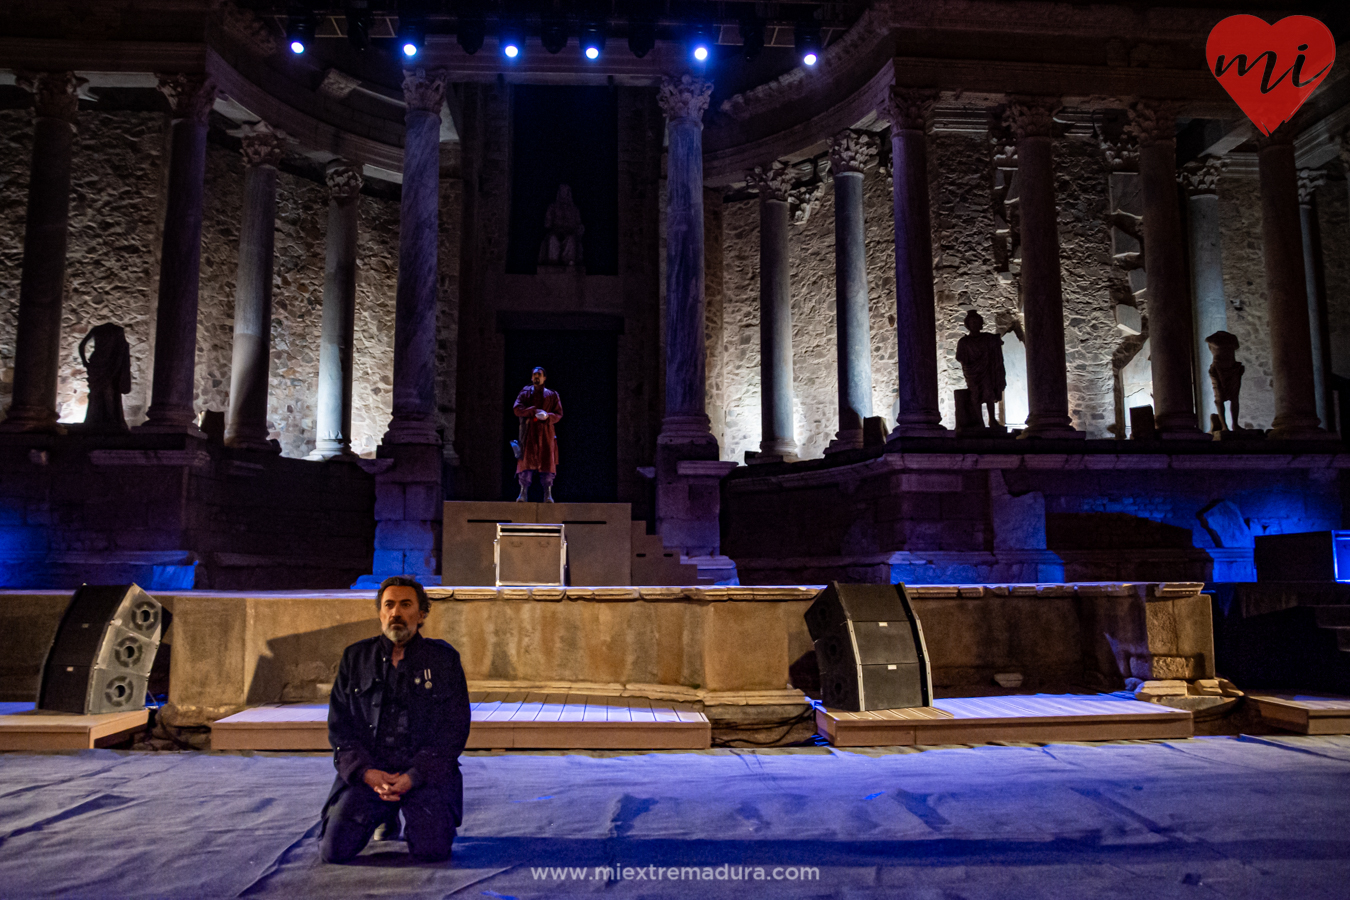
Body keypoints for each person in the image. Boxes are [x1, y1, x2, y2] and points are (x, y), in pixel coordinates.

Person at [320, 576, 471, 864]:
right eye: (389, 605)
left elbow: (453, 731)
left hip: (422, 773)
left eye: (405, 605)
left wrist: (413, 777)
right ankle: (383, 814)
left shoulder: (444, 661)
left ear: (422, 614)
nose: (396, 613)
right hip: (371, 773)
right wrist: (366, 773)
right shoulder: (355, 658)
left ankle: (411, 814)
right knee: (333, 852)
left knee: (433, 852)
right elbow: (340, 729)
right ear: (380, 612)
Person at [513, 366, 563, 502]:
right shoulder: (525, 393)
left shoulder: (552, 395)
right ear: (531, 377)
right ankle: (523, 493)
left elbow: (559, 414)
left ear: (544, 377)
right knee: (526, 464)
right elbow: (517, 409)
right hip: (529, 433)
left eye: (539, 375)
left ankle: (548, 494)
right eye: (534, 375)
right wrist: (531, 411)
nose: (536, 377)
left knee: (547, 463)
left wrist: (547, 416)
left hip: (546, 433)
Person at [954, 310, 1006, 429]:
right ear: (968, 325)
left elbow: (996, 342)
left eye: (977, 322)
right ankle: (979, 422)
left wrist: (997, 341)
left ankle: (992, 420)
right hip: (972, 372)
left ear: (981, 324)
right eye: (972, 322)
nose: (974, 324)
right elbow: (960, 357)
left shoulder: (987, 338)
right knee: (975, 394)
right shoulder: (964, 342)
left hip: (986, 371)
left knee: (989, 393)